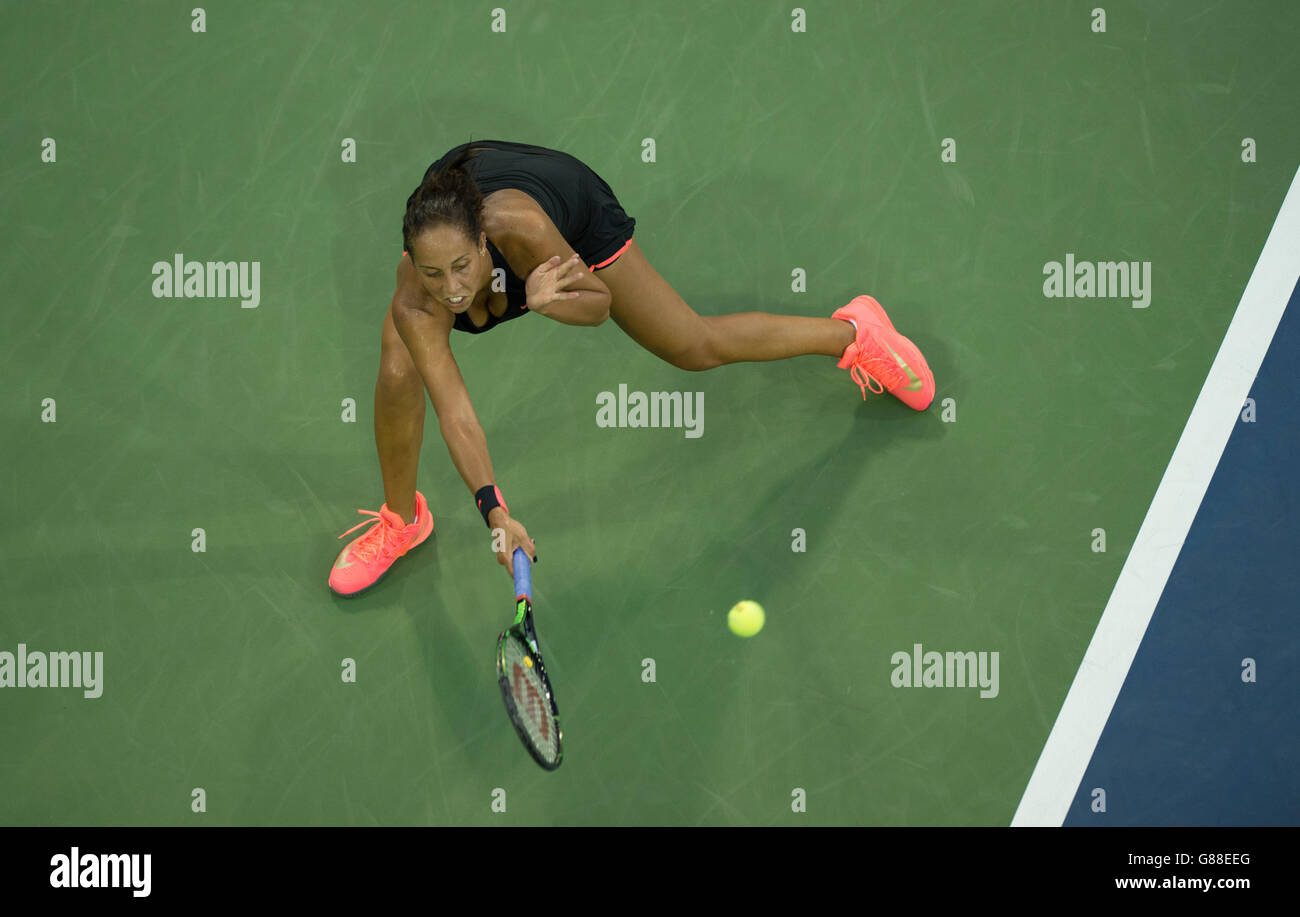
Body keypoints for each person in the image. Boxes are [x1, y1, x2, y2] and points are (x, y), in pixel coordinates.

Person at [329, 139, 934, 597]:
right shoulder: (418, 295)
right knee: (400, 369)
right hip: (456, 207)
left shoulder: (526, 230)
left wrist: (548, 301)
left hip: (571, 211)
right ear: (411, 259)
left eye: (461, 267)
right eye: (433, 272)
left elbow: (598, 307)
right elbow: (454, 408)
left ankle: (856, 331)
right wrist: (496, 511)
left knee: (692, 346)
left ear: (483, 244)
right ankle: (402, 521)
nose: (452, 290)